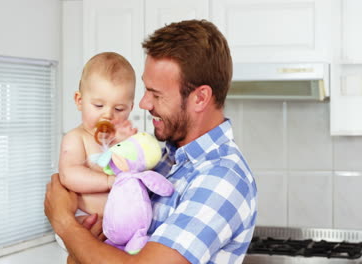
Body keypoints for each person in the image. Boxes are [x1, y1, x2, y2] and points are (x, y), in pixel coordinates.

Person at [45, 19, 257, 264]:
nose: (144, 104)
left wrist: (64, 223)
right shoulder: (163, 159)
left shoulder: (222, 178)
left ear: (200, 98)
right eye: (146, 91)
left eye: (156, 94)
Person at [57, 52, 137, 243]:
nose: (108, 115)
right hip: (84, 223)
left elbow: (136, 171)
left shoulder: (121, 139)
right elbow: (69, 174)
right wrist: (109, 181)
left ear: (131, 108)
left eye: (119, 109)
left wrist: (128, 144)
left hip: (121, 228)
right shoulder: (76, 138)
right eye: (98, 105)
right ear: (79, 101)